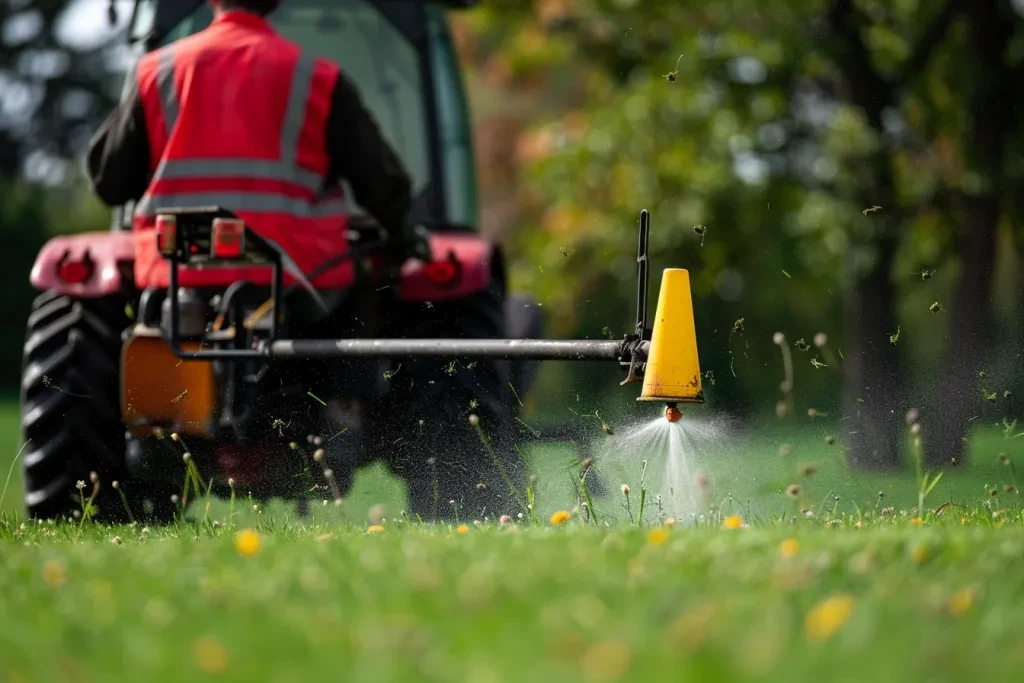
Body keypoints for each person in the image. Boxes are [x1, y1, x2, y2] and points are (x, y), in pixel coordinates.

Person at [86, 0, 415, 289]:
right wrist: (403, 235)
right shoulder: (318, 77)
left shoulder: (156, 72)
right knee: (365, 305)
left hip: (175, 270)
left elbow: (109, 182)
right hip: (298, 277)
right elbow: (382, 185)